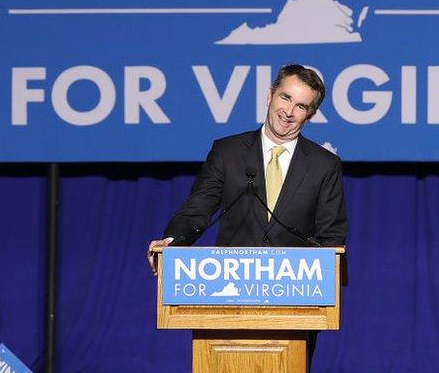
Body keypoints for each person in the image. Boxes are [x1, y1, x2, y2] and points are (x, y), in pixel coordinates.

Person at [147, 64, 347, 272]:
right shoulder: (227, 152)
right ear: (270, 96)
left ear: (310, 115)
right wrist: (172, 243)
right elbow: (197, 209)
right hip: (232, 282)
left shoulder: (324, 165)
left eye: (301, 106)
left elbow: (331, 236)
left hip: (296, 288)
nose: (288, 112)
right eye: (285, 98)